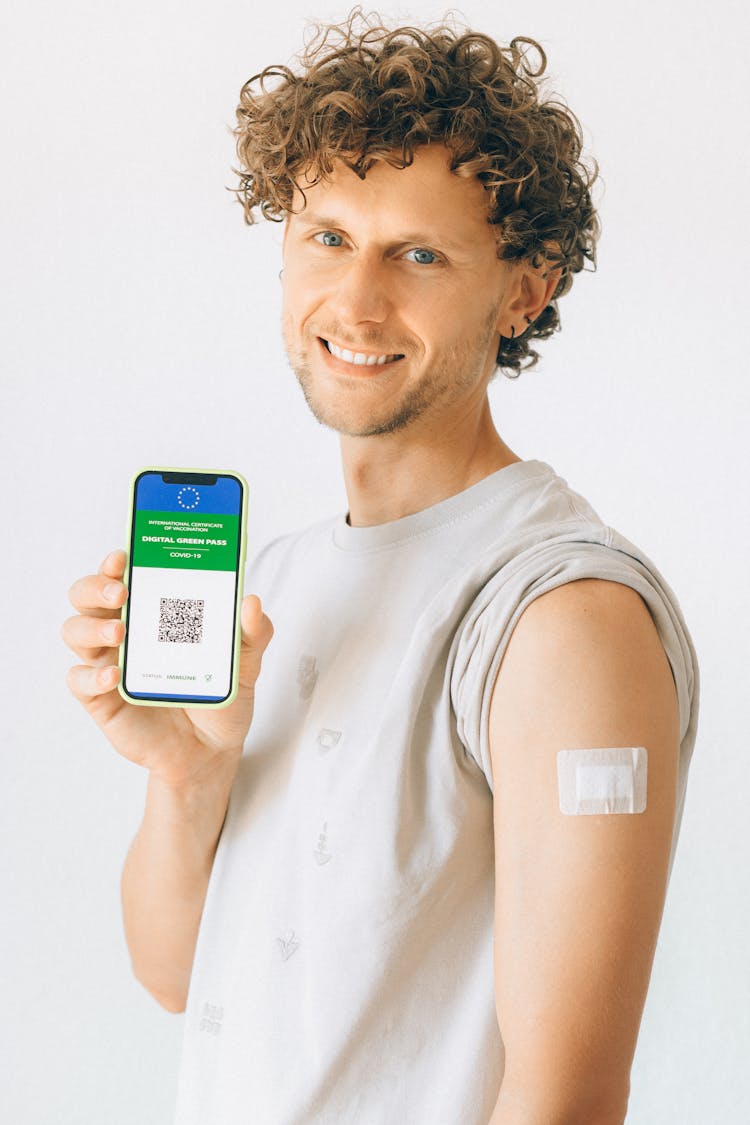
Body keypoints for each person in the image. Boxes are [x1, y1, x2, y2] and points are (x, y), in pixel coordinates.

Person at [63, 11, 700, 1124]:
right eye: (327, 238)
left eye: (418, 254)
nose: (355, 303)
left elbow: (568, 1100)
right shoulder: (284, 577)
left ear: (523, 291)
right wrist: (189, 774)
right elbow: (175, 976)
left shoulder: (561, 614)